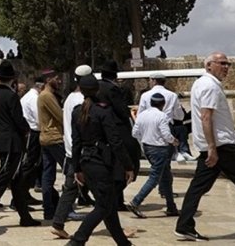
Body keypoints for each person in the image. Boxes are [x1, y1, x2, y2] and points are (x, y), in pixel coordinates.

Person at [175, 52, 235, 242]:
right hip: (220, 146)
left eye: (228, 63)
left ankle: (184, 225)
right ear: (209, 65)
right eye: (222, 63)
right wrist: (212, 147)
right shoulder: (210, 86)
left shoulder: (200, 84)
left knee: (198, 187)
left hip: (212, 146)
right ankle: (184, 225)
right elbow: (206, 117)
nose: (226, 67)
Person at [67, 74, 135, 246]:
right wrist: (128, 166)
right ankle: (77, 241)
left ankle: (123, 243)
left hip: (86, 162)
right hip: (102, 163)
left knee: (108, 205)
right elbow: (116, 142)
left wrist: (77, 169)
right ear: (97, 90)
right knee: (103, 207)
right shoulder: (103, 111)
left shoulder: (77, 112)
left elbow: (76, 143)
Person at [0, 60, 40, 230]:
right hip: (13, 143)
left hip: (3, 140)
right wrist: (26, 130)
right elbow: (18, 119)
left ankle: (25, 216)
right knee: (3, 178)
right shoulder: (11, 96)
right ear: (12, 79)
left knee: (16, 180)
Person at [50, 65, 92, 240]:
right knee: (105, 192)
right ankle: (118, 233)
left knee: (70, 190)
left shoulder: (68, 99)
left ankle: (58, 223)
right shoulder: (81, 101)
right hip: (82, 152)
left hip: (71, 150)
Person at [126, 93, 179, 219]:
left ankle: (171, 206)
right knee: (155, 177)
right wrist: (173, 141)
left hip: (147, 148)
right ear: (163, 104)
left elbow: (135, 133)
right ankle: (136, 202)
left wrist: (145, 138)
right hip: (160, 149)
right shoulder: (162, 116)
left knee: (166, 176)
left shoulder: (142, 115)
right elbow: (166, 134)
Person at [98, 60, 141, 210]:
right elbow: (121, 110)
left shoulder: (99, 87)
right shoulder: (113, 89)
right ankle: (113, 198)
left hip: (104, 129)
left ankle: (117, 201)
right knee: (130, 157)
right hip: (118, 128)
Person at [137, 72, 194, 163]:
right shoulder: (172, 95)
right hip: (167, 125)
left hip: (150, 128)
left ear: (154, 81)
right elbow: (179, 115)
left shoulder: (145, 95)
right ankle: (180, 152)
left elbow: (140, 114)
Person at [38, 70, 66, 220]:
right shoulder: (47, 96)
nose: (59, 81)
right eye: (57, 78)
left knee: (48, 175)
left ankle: (49, 209)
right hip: (54, 138)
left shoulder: (43, 95)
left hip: (46, 138)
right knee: (70, 171)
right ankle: (64, 208)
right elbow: (60, 116)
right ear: (48, 79)